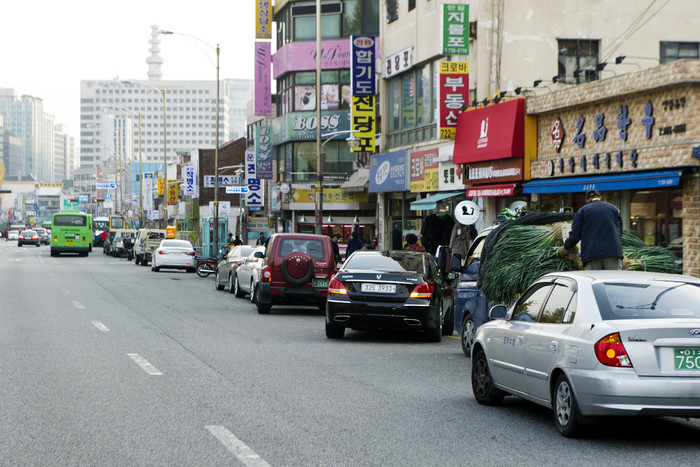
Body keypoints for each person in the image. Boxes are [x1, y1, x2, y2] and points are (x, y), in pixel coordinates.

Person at [561, 189, 623, 270]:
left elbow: (575, 234)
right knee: (613, 281)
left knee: (593, 281)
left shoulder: (582, 211)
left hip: (592, 254)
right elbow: (620, 231)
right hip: (613, 252)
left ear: (586, 200)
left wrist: (566, 246)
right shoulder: (613, 209)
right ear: (600, 197)